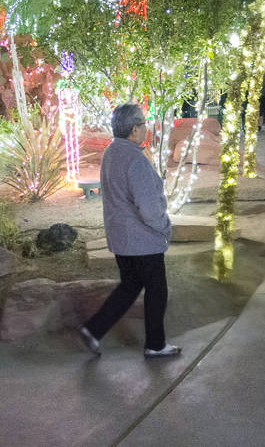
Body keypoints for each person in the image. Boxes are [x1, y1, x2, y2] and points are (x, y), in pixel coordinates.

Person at [78, 103, 180, 359]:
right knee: (157, 289)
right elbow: (148, 207)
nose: (146, 127)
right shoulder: (135, 159)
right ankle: (155, 344)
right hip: (143, 240)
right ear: (135, 129)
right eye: (144, 124)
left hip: (121, 237)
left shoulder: (111, 152)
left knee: (130, 285)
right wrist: (165, 228)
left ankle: (94, 329)